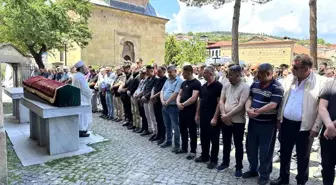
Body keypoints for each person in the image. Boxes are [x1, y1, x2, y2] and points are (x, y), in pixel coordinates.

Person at [271, 54, 326, 185]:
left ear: (306, 69)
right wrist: (279, 118)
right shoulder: (290, 78)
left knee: (303, 157)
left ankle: (301, 181)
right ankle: (283, 179)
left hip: (305, 127)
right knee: (284, 153)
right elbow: (283, 99)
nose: (292, 69)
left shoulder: (320, 82)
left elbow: (321, 109)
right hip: (286, 124)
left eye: (295, 67)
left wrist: (316, 127)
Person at [244, 63, 284, 185]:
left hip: (267, 125)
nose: (257, 75)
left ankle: (264, 175)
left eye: (260, 73)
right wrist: (248, 109)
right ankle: (253, 169)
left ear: (269, 74)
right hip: (253, 122)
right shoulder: (255, 83)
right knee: (251, 148)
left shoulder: (277, 87)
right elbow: (249, 98)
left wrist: (257, 111)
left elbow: (273, 104)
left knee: (265, 151)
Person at [217, 65, 250, 178]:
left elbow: (241, 105)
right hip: (225, 119)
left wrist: (227, 115)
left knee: (238, 144)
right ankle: (225, 163)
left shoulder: (245, 87)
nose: (228, 77)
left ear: (238, 75)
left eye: (230, 75)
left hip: (238, 121)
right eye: (228, 74)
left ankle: (239, 167)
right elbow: (221, 101)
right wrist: (223, 115)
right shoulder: (226, 85)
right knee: (226, 143)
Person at [194, 65, 223, 169]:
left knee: (214, 139)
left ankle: (214, 159)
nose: (203, 74)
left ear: (210, 74)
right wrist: (197, 114)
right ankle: (205, 155)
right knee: (203, 136)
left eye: (205, 72)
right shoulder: (203, 86)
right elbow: (200, 100)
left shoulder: (219, 86)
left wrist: (215, 117)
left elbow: (219, 103)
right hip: (203, 115)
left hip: (213, 115)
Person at [176, 65, 201, 158]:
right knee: (182, 129)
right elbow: (179, 94)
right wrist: (178, 102)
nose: (182, 74)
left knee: (192, 131)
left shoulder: (196, 83)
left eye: (184, 72)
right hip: (182, 110)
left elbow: (194, 98)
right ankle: (184, 147)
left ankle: (193, 151)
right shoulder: (183, 83)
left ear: (189, 72)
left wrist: (183, 104)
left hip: (191, 111)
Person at [160, 65, 183, 153]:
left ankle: (177, 145)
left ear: (175, 71)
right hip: (165, 106)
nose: (169, 74)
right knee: (167, 125)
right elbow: (162, 91)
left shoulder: (179, 81)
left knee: (175, 126)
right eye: (168, 72)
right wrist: (162, 100)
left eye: (170, 72)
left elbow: (176, 93)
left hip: (173, 107)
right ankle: (168, 141)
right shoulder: (167, 80)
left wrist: (168, 101)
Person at [318, 78, 336, 185]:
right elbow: (322, 106)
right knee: (327, 166)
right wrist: (329, 125)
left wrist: (333, 125)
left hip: (330, 129)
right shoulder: (330, 84)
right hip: (328, 134)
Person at [72, 61, 92, 137]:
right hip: (82, 97)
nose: (85, 69)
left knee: (80, 114)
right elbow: (85, 89)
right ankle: (82, 130)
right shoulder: (80, 76)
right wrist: (90, 93)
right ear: (81, 68)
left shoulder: (75, 75)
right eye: (84, 67)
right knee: (83, 115)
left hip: (78, 96)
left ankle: (80, 129)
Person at [151, 66, 168, 145]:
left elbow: (162, 91)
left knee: (161, 120)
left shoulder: (165, 80)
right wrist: (152, 96)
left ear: (164, 72)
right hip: (155, 101)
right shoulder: (158, 80)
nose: (158, 73)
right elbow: (154, 88)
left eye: (160, 72)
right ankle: (158, 134)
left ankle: (163, 136)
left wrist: (154, 96)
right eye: (157, 72)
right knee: (157, 119)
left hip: (160, 102)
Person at [142, 65, 158, 138]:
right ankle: (150, 129)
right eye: (146, 71)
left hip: (150, 99)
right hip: (145, 99)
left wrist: (146, 96)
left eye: (148, 71)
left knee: (152, 116)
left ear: (152, 71)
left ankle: (155, 131)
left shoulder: (155, 79)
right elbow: (145, 88)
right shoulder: (147, 79)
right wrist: (143, 95)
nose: (146, 73)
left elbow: (153, 89)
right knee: (147, 116)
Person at [133, 68, 148, 134]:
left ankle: (146, 128)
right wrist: (135, 93)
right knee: (141, 113)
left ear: (144, 74)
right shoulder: (141, 81)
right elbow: (138, 88)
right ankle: (143, 127)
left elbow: (143, 90)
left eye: (141, 74)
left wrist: (138, 95)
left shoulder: (146, 81)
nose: (140, 75)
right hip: (138, 98)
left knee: (144, 115)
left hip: (142, 99)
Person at [127, 63, 141, 130]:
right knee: (133, 110)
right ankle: (134, 124)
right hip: (131, 95)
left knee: (136, 111)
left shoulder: (138, 76)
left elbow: (137, 86)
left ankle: (138, 125)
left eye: (134, 68)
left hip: (135, 95)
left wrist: (131, 91)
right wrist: (128, 90)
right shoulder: (132, 76)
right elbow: (129, 84)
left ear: (137, 68)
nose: (132, 70)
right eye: (132, 68)